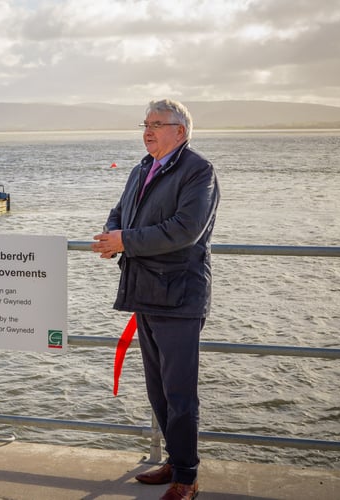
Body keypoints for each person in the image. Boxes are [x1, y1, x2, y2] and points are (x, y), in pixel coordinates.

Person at [91, 99, 219, 500]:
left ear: (180, 132)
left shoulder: (199, 171)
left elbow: (186, 230)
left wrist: (125, 240)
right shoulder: (141, 168)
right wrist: (112, 237)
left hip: (180, 296)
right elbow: (120, 211)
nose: (147, 131)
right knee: (158, 390)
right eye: (144, 123)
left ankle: (187, 476)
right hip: (144, 292)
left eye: (157, 124)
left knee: (180, 392)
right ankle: (174, 460)